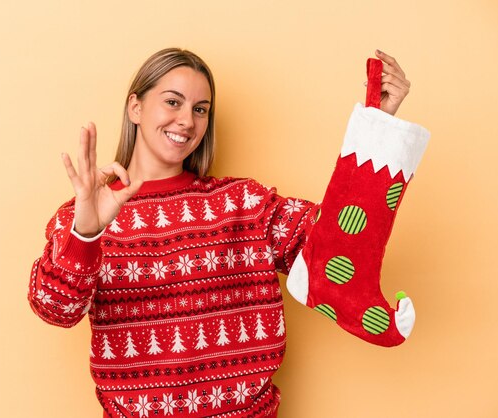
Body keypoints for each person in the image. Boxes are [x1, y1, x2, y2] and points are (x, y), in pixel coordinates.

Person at [28, 48, 429, 417]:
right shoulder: (84, 213)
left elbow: (330, 247)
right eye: (172, 101)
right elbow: (54, 310)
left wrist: (379, 124)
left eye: (201, 109)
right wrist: (86, 234)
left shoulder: (244, 203)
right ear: (135, 106)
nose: (187, 121)